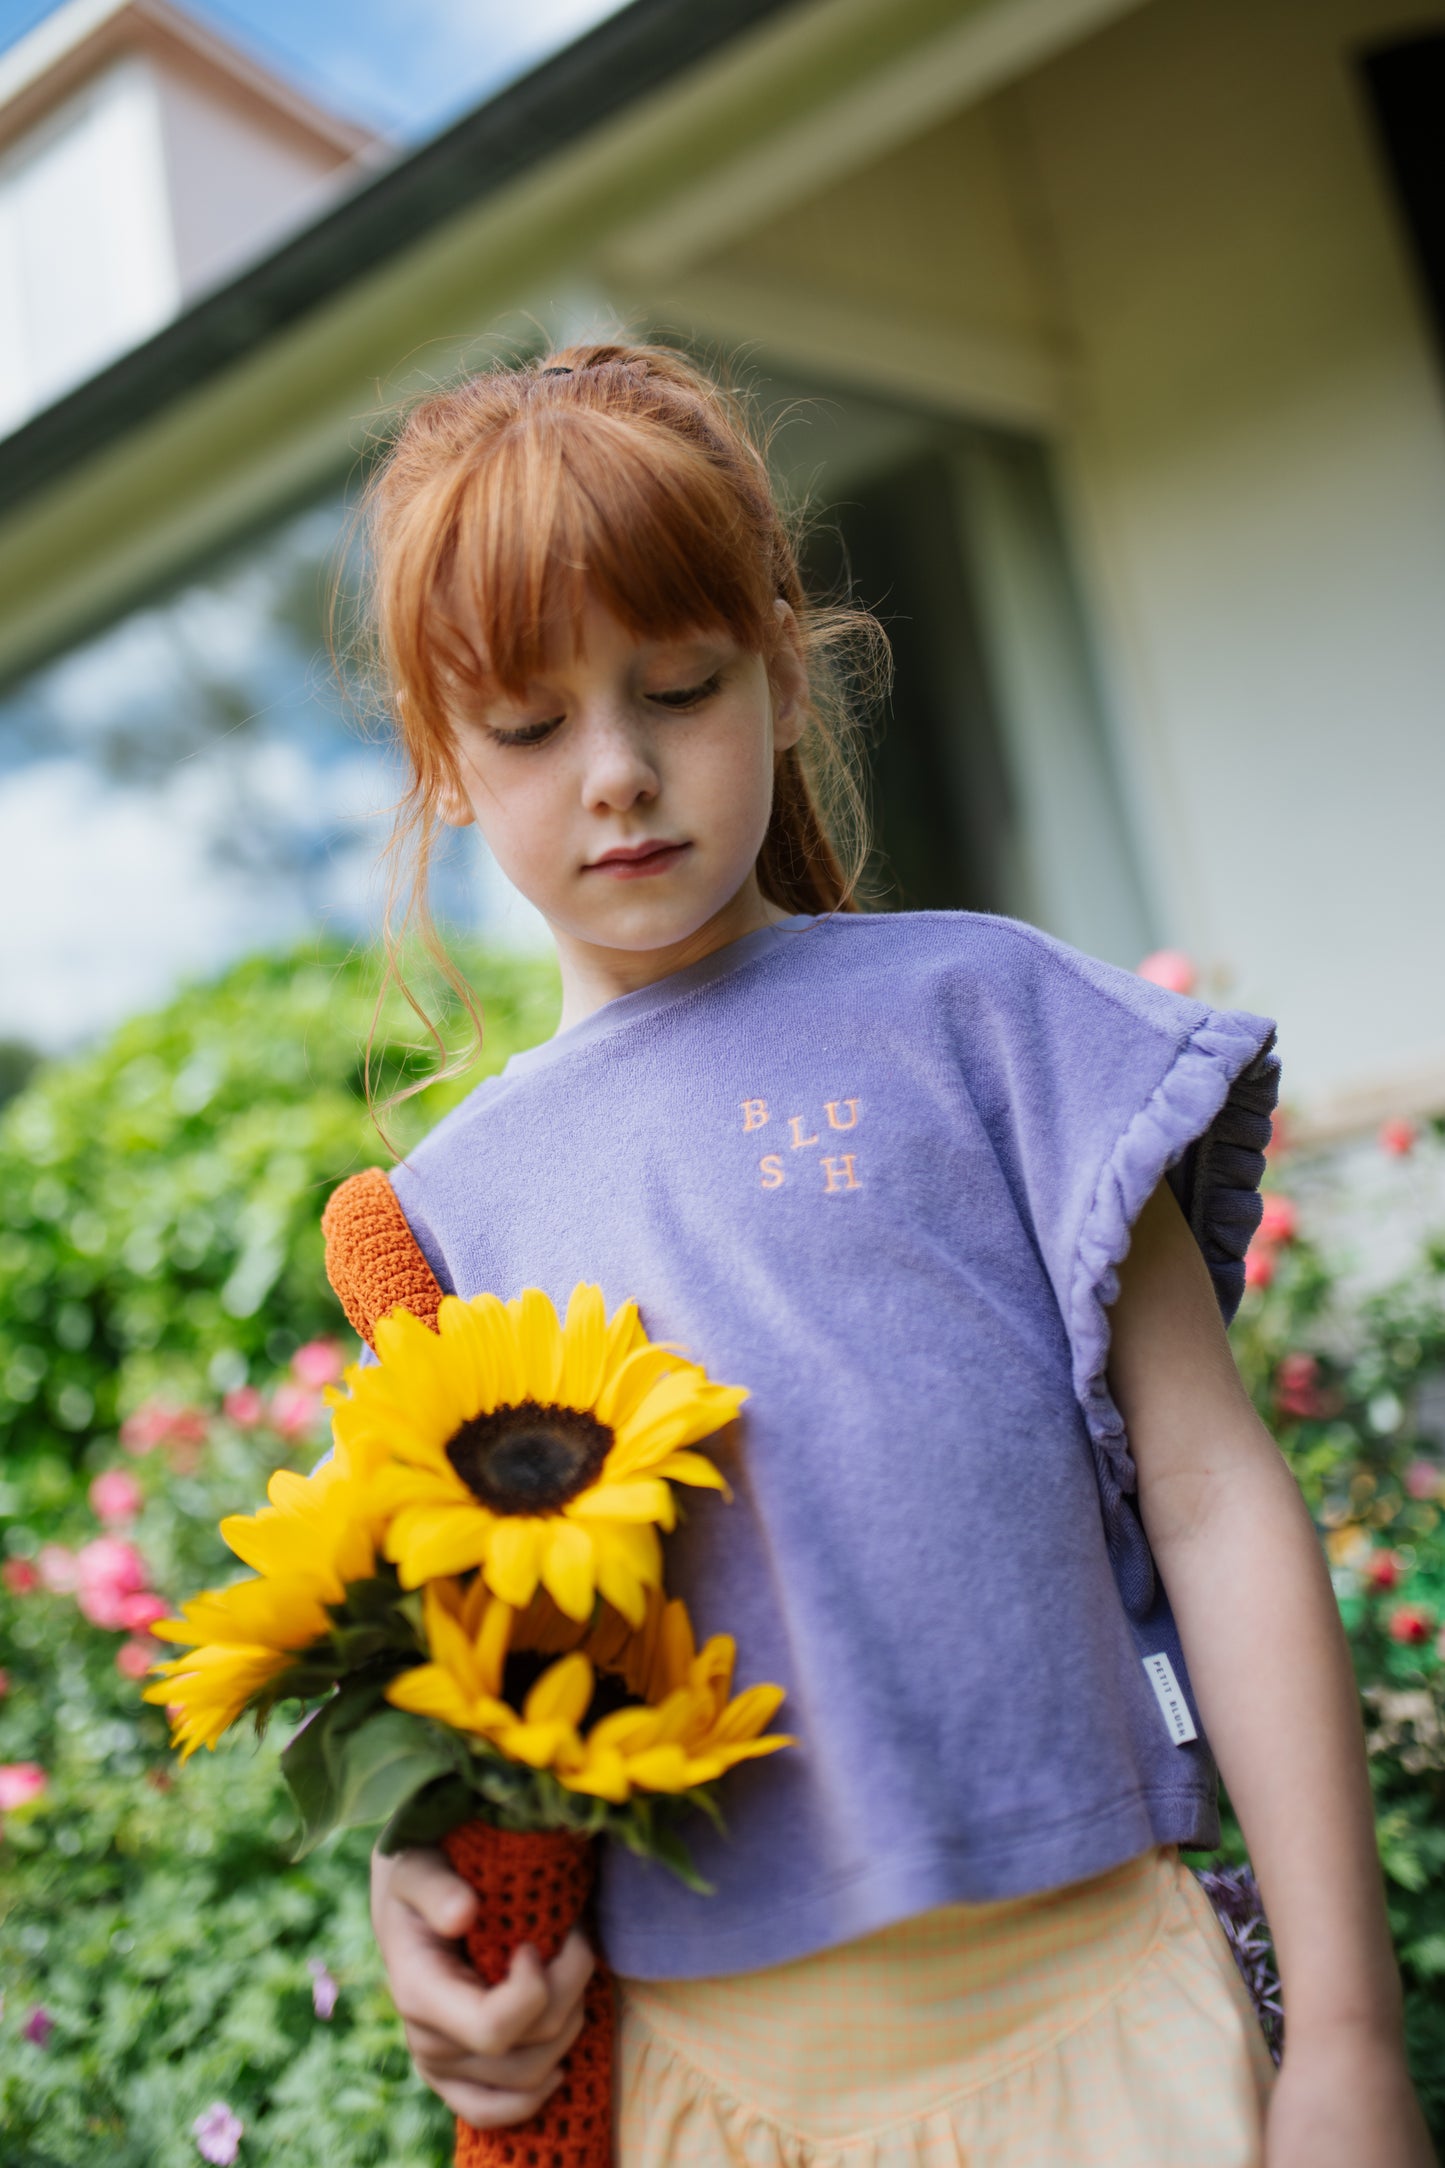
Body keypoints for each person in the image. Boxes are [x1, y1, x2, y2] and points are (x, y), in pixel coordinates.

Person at [335, 344, 1432, 2166]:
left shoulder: (988, 1018)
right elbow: (490, 1691)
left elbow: (1213, 1498)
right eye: (529, 727)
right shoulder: (444, 1220)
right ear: (444, 764)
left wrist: (1345, 2036)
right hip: (714, 2094)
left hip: (1111, 2018)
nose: (614, 773)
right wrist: (416, 1889)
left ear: (778, 671)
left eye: (674, 688)